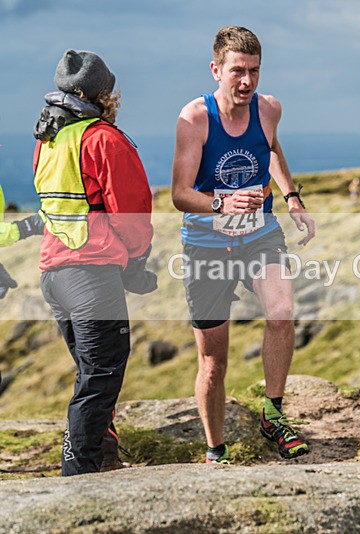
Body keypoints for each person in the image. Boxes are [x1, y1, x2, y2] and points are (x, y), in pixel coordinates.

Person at [171, 26, 315, 463]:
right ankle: (216, 449)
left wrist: (291, 198)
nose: (247, 81)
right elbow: (179, 193)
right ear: (216, 69)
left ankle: (274, 413)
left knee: (282, 312)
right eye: (237, 71)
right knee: (213, 361)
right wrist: (223, 202)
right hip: (207, 243)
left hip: (260, 233)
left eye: (254, 71)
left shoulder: (268, 108)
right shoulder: (195, 118)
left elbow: (269, 148)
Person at [32, 49, 156, 476]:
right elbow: (133, 212)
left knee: (90, 372)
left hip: (54, 273)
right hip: (90, 277)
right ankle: (79, 472)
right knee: (101, 375)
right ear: (105, 93)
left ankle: (103, 457)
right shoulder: (103, 138)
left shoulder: (48, 140)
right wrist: (138, 260)